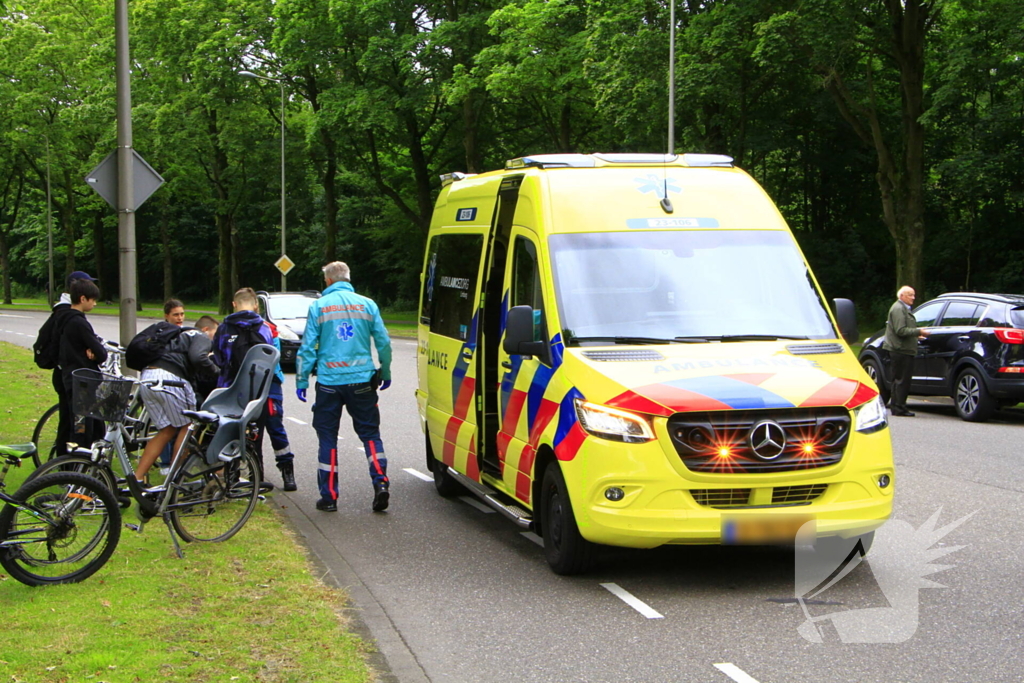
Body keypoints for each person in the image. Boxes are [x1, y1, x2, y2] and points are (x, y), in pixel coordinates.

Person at [295, 261, 392, 513]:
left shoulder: (318, 306)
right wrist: (386, 371)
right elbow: (383, 342)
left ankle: (329, 497)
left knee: (327, 437)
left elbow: (307, 348)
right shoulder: (368, 304)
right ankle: (381, 482)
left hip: (329, 384)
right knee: (370, 435)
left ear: (327, 281)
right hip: (362, 381)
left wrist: (302, 380)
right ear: (348, 278)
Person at [212, 287, 295, 491]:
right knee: (272, 428)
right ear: (256, 305)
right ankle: (284, 473)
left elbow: (219, 359)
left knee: (233, 429)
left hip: (232, 390)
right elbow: (273, 359)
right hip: (264, 389)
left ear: (234, 304)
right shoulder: (266, 328)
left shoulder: (224, 328)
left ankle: (232, 476)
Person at [134, 318, 220, 483]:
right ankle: (175, 478)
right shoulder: (200, 335)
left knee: (166, 430)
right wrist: (218, 372)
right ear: (207, 329)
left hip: (148, 377)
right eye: (215, 335)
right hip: (171, 379)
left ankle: (138, 477)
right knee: (189, 426)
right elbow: (198, 358)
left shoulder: (175, 336)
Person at [34, 271, 98, 456]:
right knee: (77, 424)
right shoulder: (68, 313)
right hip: (71, 374)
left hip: (65, 372)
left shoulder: (63, 312)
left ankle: (65, 460)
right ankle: (71, 463)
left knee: (70, 420)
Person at [59, 278, 108, 449]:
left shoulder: (63, 318)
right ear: (82, 299)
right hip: (84, 381)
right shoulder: (79, 322)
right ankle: (80, 462)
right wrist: (95, 353)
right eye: (93, 299)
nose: (94, 304)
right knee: (84, 428)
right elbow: (102, 354)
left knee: (78, 424)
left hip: (69, 377)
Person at [883, 285, 931, 417]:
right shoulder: (899, 309)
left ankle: (898, 406)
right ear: (902, 296)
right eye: (910, 295)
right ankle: (899, 408)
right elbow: (900, 330)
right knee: (901, 380)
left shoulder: (902, 308)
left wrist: (915, 335)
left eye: (913, 295)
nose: (913, 298)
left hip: (902, 349)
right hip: (900, 349)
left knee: (899, 379)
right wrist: (919, 331)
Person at [156, 298, 187, 473]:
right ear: (167, 316)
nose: (180, 318)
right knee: (168, 424)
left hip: (178, 382)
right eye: (175, 315)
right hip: (166, 382)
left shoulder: (182, 332)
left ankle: (174, 463)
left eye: (182, 314)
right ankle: (167, 463)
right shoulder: (163, 334)